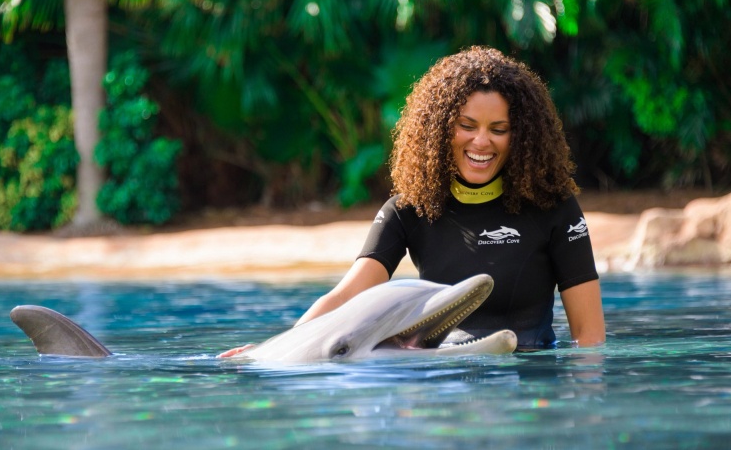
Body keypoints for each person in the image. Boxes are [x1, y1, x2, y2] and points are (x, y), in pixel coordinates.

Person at [220, 45, 605, 357]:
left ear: (521, 136)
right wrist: (274, 352)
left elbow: (589, 336)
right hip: (440, 380)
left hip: (533, 384)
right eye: (466, 126)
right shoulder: (410, 209)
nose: (481, 141)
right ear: (442, 128)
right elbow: (345, 297)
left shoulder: (554, 209)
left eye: (499, 129)